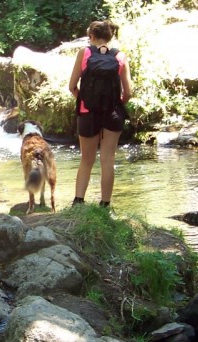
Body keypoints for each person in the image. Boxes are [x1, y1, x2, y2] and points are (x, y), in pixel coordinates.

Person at [67, 20, 133, 208]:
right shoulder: (120, 57)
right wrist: (117, 105)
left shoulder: (84, 53)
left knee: (86, 160)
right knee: (108, 160)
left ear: (91, 36)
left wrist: (84, 101)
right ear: (110, 36)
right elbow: (128, 92)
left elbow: (72, 86)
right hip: (112, 114)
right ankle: (105, 205)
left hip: (87, 113)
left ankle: (78, 202)